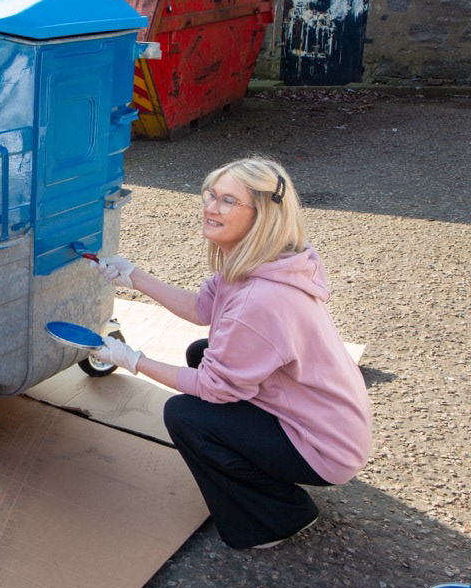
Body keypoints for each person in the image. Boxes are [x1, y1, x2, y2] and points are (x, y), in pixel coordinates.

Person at [89, 158, 372, 550]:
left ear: (262, 216)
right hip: (327, 417)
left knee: (186, 415)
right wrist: (133, 276)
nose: (210, 207)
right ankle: (262, 473)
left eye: (226, 200)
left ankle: (278, 517)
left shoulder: (261, 298)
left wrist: (132, 359)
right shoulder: (267, 261)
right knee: (200, 351)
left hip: (324, 446)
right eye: (210, 195)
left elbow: (212, 388)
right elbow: (202, 309)